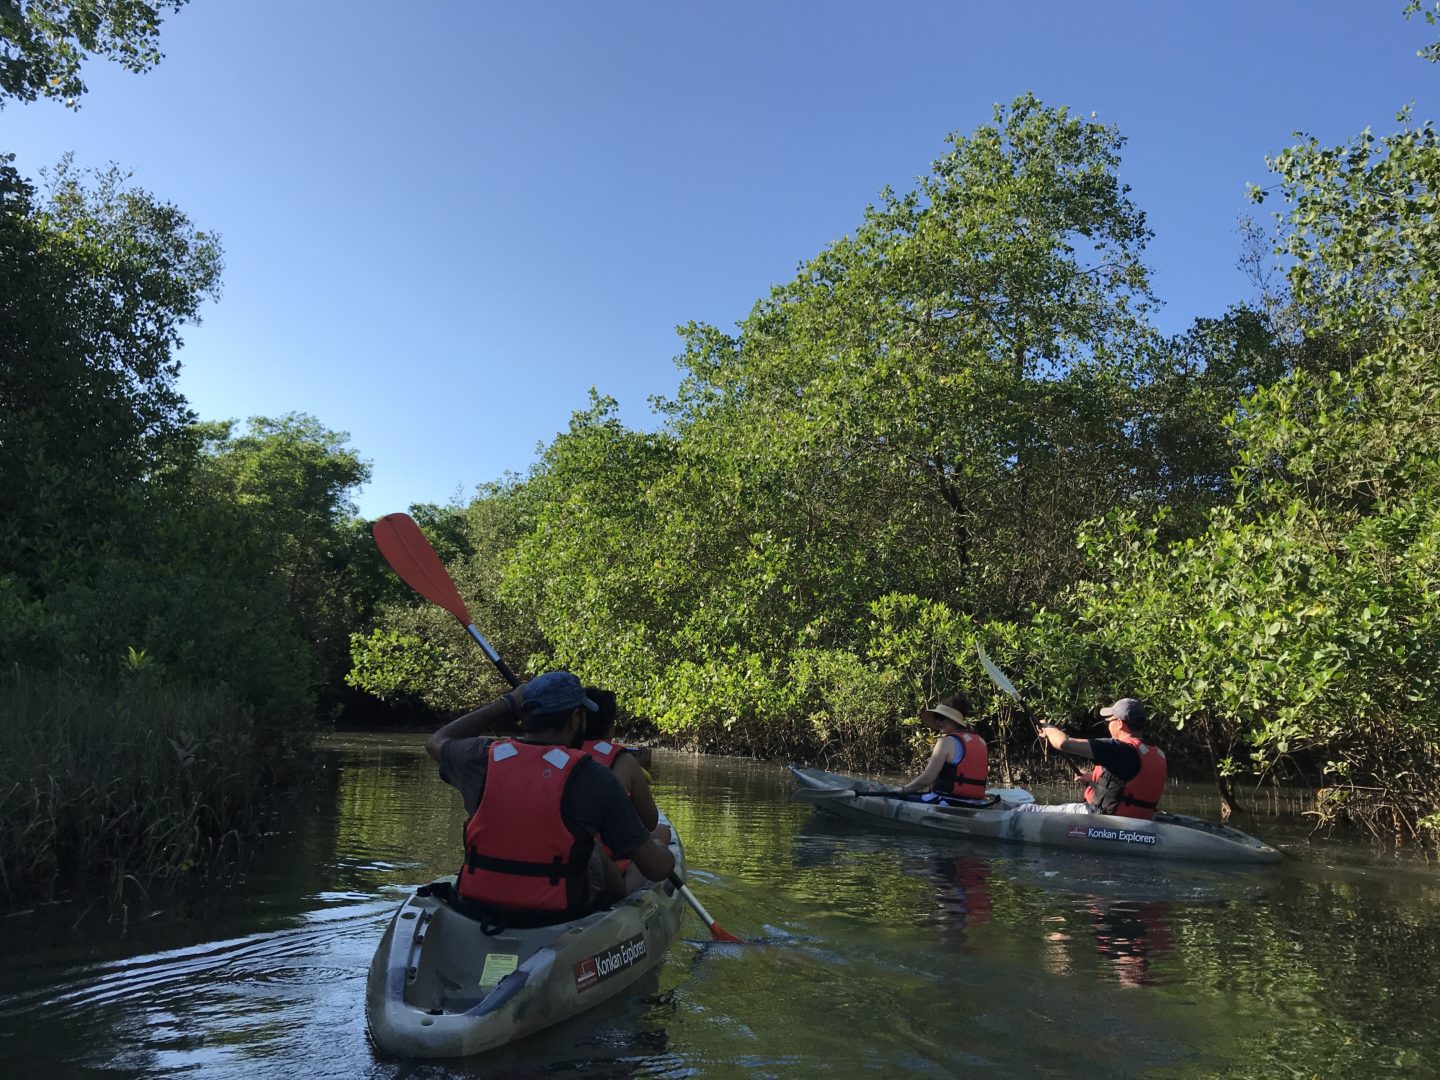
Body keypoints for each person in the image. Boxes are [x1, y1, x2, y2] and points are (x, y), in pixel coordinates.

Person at [425, 670, 676, 926]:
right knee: (612, 850)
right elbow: (656, 868)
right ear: (576, 718)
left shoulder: (480, 758)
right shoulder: (594, 776)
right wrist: (662, 851)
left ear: (525, 715)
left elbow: (437, 741)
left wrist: (507, 702)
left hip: (475, 908)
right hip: (557, 917)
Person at [579, 686, 671, 893]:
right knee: (661, 835)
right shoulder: (624, 762)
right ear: (610, 728)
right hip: (602, 861)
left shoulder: (558, 753)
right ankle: (626, 896)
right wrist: (641, 772)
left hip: (568, 854)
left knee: (662, 831)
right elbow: (649, 821)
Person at [1015, 697, 1167, 818]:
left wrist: (1048, 728)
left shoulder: (1118, 748)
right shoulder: (1156, 752)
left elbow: (1063, 743)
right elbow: (1129, 781)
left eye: (1109, 721)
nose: (1108, 725)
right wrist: (1092, 779)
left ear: (1119, 723)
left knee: (1027, 810)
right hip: (1140, 820)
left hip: (1103, 819)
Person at [893, 692, 990, 806]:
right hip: (975, 804)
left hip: (947, 802)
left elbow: (928, 778)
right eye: (936, 717)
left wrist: (903, 790)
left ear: (954, 720)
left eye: (942, 718)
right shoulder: (981, 741)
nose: (938, 722)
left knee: (897, 797)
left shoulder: (945, 742)